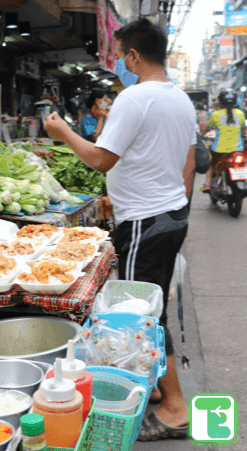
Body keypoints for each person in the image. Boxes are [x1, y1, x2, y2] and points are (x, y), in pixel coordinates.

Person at [43, 18, 196, 441]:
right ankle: (154, 387)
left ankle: (175, 408)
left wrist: (62, 131)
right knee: (149, 307)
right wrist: (179, 211)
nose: (117, 66)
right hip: (170, 215)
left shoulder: (135, 97)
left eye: (119, 57)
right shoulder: (180, 99)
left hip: (145, 220)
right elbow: (187, 164)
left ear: (133, 55)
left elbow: (100, 159)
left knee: (141, 318)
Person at [202, 88, 246, 191]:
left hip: (219, 149)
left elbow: (207, 129)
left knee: (211, 163)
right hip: (237, 149)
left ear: (220, 101)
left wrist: (201, 135)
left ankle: (207, 184)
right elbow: (244, 128)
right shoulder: (241, 113)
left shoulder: (215, 114)